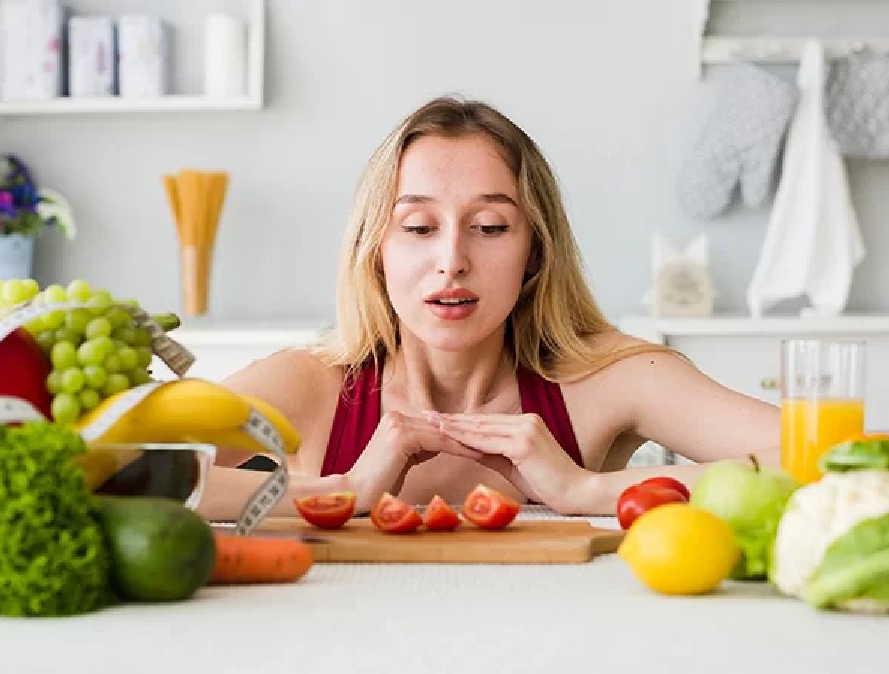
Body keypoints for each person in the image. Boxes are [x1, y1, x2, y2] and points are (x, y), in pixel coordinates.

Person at [200, 96, 779, 520]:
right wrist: (347, 488)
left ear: (534, 252)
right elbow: (124, 471)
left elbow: (835, 460)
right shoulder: (310, 386)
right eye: (419, 227)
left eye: (490, 226)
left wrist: (584, 491)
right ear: (376, 252)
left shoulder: (608, 378)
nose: (452, 260)